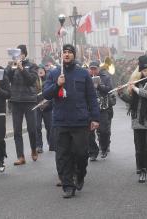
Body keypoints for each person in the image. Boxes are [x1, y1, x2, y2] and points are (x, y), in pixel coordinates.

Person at [43, 44, 100, 198]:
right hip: (61, 121)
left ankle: (80, 174)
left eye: (69, 52)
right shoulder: (54, 73)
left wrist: (95, 117)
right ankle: (68, 185)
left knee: (81, 153)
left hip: (80, 121)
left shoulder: (83, 74)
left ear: (74, 55)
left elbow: (91, 97)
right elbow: (46, 94)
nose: (67, 55)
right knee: (63, 155)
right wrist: (57, 84)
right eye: (64, 52)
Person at [124, 55, 147, 183]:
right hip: (138, 119)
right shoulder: (135, 83)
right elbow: (130, 101)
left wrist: (135, 88)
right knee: (140, 147)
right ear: (140, 72)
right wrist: (122, 93)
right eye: (144, 71)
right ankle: (143, 170)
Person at [6, 44, 39, 165]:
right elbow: (7, 79)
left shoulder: (32, 66)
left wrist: (22, 69)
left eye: (20, 54)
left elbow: (31, 81)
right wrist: (11, 68)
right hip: (16, 101)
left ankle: (34, 149)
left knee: (32, 129)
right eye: (17, 54)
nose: (19, 56)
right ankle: (20, 156)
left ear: (25, 54)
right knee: (17, 131)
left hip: (29, 100)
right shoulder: (12, 66)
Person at [88, 61, 113, 161]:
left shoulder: (105, 77)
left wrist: (98, 86)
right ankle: (93, 152)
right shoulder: (86, 77)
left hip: (102, 108)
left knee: (104, 131)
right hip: (89, 109)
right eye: (91, 68)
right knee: (89, 132)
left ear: (98, 69)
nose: (93, 70)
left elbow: (109, 89)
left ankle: (104, 148)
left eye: (95, 68)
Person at [35, 64, 53, 153]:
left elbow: (52, 93)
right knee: (37, 126)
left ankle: (51, 143)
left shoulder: (49, 80)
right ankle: (39, 145)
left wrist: (47, 103)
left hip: (48, 107)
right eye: (39, 70)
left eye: (42, 69)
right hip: (37, 107)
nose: (40, 71)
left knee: (49, 127)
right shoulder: (34, 81)